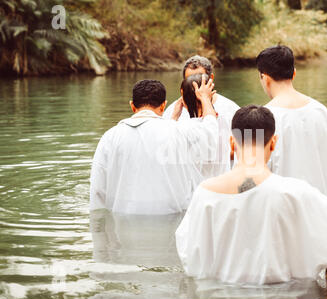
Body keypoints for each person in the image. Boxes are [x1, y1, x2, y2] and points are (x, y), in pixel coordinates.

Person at [175, 106, 327, 285]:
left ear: (232, 143)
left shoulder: (204, 193)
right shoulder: (293, 192)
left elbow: (189, 254)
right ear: (274, 143)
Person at [90, 78, 218, 215]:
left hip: (123, 224)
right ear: (163, 106)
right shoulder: (179, 131)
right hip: (171, 223)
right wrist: (205, 98)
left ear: (132, 106)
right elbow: (210, 134)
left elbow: (98, 190)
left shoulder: (109, 137)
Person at [256, 45, 327, 196]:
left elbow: (254, 179)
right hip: (320, 209)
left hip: (282, 211)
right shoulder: (322, 112)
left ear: (265, 77)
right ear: (294, 73)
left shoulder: (262, 118)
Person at [179, 73, 231, 178]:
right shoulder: (227, 118)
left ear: (183, 99)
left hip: (195, 191)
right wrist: (205, 99)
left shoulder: (182, 127)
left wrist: (173, 117)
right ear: (211, 94)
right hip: (224, 187)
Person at [163, 55, 240, 122]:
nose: (195, 87)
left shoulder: (231, 109)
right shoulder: (172, 111)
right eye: (190, 81)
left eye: (200, 79)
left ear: (211, 78)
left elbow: (247, 136)